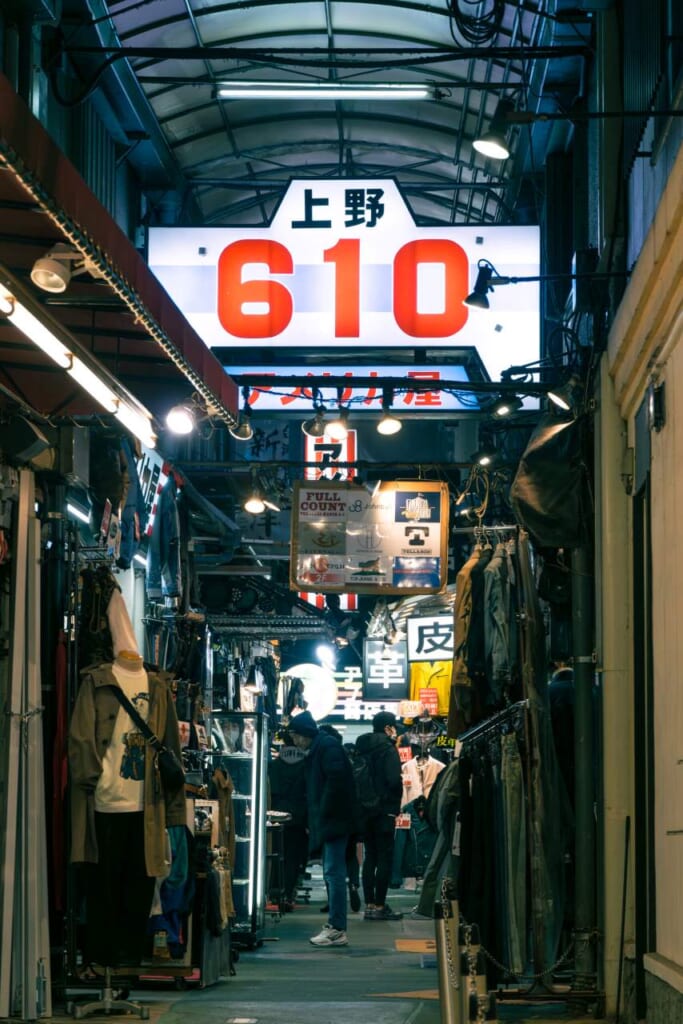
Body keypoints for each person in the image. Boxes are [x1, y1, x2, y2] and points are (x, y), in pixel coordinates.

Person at [287, 709, 356, 947]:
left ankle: (337, 927)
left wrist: (323, 813)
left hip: (334, 821)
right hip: (332, 820)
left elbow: (335, 785)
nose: (294, 740)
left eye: (295, 735)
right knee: (332, 872)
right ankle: (335, 925)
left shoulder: (326, 748)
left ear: (305, 733)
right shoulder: (321, 748)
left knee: (333, 873)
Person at [355, 710, 404, 921]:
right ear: (387, 728)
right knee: (384, 857)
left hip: (365, 810)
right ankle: (380, 905)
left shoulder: (361, 748)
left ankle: (368, 905)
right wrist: (394, 803)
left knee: (370, 856)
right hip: (384, 811)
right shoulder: (388, 749)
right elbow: (393, 780)